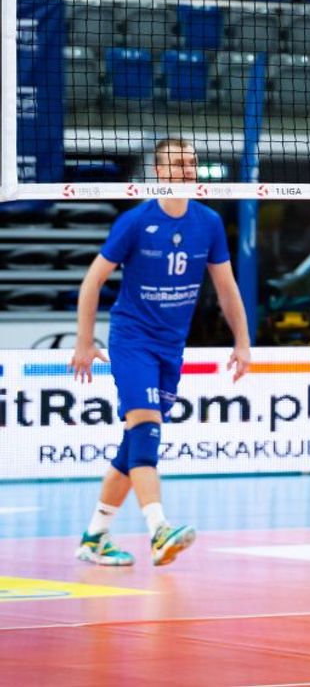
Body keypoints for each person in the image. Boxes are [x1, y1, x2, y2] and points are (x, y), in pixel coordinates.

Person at [70, 137, 251, 568]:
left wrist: (242, 341)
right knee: (147, 428)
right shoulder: (135, 222)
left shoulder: (208, 222)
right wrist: (84, 341)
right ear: (158, 171)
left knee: (133, 443)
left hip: (171, 347)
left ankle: (94, 537)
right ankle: (159, 529)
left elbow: (226, 288)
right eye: (177, 163)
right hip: (133, 340)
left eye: (191, 162)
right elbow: (92, 281)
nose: (186, 169)